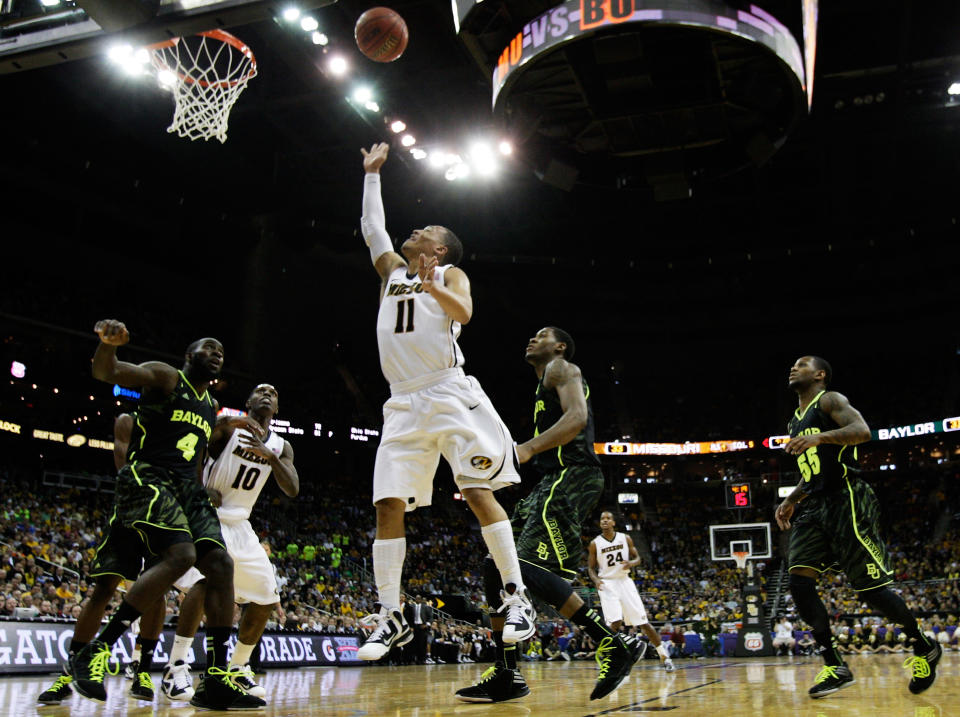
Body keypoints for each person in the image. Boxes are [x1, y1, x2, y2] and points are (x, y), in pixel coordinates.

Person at [354, 143, 535, 661]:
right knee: (387, 502)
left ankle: (517, 596)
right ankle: (389, 614)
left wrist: (435, 288)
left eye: (426, 229)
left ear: (441, 249)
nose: (416, 230)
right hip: (402, 403)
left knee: (477, 490)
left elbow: (466, 313)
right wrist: (372, 176)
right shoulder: (393, 272)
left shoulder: (451, 275)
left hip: (448, 391)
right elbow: (373, 231)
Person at [69, 320, 265, 710]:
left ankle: (215, 678)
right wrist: (107, 346)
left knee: (221, 565)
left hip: (186, 488)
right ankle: (96, 651)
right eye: (208, 348)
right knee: (183, 557)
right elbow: (106, 371)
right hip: (149, 476)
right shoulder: (167, 376)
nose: (216, 354)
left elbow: (194, 456)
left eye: (221, 352)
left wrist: (203, 483)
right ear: (190, 356)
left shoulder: (209, 407)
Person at [456, 327, 642, 704]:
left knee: (517, 564)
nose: (531, 338)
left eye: (541, 335)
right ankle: (506, 673)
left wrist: (523, 450)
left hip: (573, 474)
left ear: (558, 346)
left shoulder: (561, 367)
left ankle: (611, 643)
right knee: (497, 564)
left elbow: (576, 418)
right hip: (550, 480)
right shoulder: (543, 383)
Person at [775, 355, 941, 698]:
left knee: (869, 590)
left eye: (802, 364)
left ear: (820, 374)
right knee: (798, 581)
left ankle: (923, 644)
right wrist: (792, 499)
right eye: (793, 365)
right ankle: (835, 664)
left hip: (847, 497)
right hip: (815, 502)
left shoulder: (830, 400)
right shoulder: (794, 421)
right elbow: (814, 473)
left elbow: (862, 432)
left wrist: (821, 438)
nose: (794, 368)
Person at [162, 383, 298, 703]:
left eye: (273, 393)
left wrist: (271, 458)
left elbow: (292, 488)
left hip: (240, 523)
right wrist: (198, 489)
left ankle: (237, 668)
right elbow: (192, 444)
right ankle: (176, 666)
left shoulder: (281, 445)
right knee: (205, 584)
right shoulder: (228, 427)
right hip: (209, 515)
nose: (267, 394)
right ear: (248, 401)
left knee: (266, 597)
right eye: (260, 391)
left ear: (276, 408)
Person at [38, 412, 167, 705]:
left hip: (166, 512)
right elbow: (123, 467)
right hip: (132, 506)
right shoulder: (129, 420)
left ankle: (142, 670)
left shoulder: (179, 422)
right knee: (103, 589)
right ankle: (70, 672)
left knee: (156, 591)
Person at [588, 510, 675, 671]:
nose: (605, 521)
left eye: (608, 518)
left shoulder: (624, 538)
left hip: (625, 582)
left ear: (613, 522)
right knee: (614, 622)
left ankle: (664, 655)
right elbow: (590, 568)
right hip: (607, 583)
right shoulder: (595, 543)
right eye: (602, 519)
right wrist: (596, 580)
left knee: (643, 622)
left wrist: (632, 563)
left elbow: (638, 558)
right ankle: (611, 659)